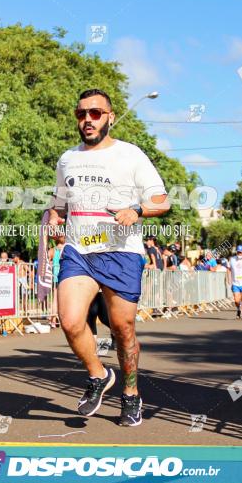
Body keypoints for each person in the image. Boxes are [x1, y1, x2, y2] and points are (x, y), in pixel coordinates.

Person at [47, 88, 169, 427]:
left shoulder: (131, 155)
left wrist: (137, 210)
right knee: (70, 320)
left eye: (96, 113)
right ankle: (98, 375)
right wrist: (54, 217)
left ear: (110, 117)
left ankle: (131, 394)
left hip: (120, 252)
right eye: (82, 113)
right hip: (79, 250)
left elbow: (162, 200)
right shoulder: (67, 158)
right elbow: (59, 204)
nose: (88, 119)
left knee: (122, 329)